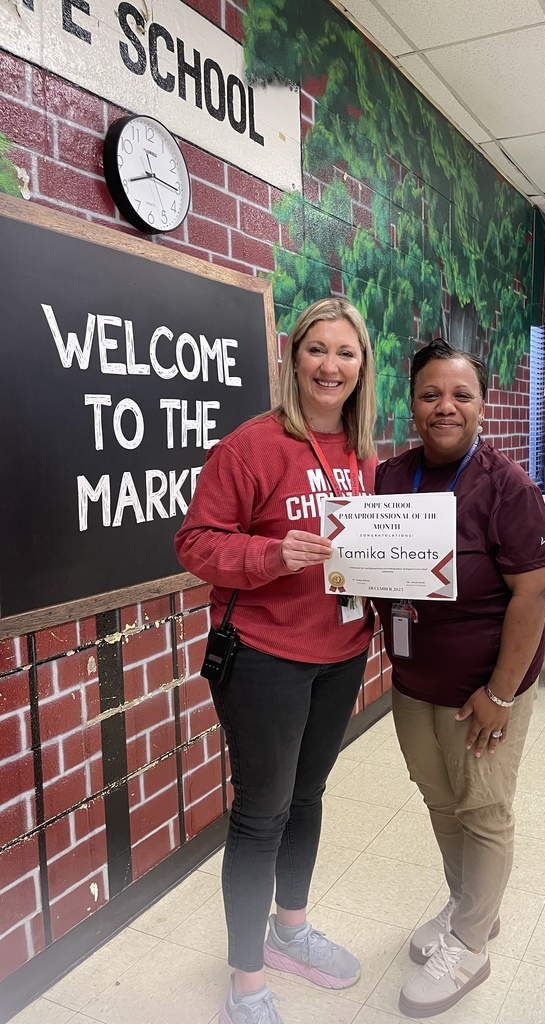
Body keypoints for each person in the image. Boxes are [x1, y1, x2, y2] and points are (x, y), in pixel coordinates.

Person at [175, 298, 377, 1024]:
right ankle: (246, 980)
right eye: (317, 350)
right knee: (262, 814)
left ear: (362, 366)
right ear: (294, 359)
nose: (331, 366)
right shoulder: (250, 446)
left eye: (345, 353)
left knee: (310, 796)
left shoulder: (362, 450)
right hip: (264, 656)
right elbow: (196, 543)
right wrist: (271, 553)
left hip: (342, 652)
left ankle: (290, 931)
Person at [374, 339, 545, 1019]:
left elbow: (532, 597)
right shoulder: (391, 478)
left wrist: (500, 693)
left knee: (482, 808)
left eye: (461, 395)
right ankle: (473, 910)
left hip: (487, 685)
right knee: (440, 799)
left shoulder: (509, 488)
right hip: (414, 680)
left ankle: (470, 945)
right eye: (430, 395)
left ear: (482, 405)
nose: (445, 407)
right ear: (412, 404)